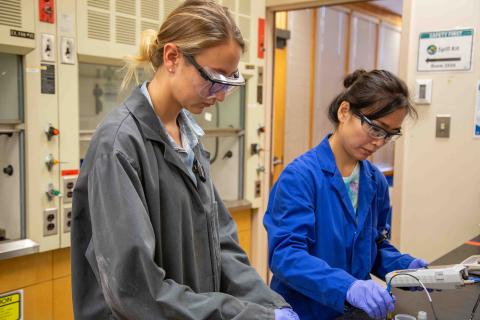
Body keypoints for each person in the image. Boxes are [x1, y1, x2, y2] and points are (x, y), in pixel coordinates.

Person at [71, 1, 299, 319]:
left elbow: (221, 244)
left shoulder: (187, 136)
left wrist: (271, 306)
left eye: (230, 81)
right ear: (173, 57)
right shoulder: (119, 145)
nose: (220, 95)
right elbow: (136, 290)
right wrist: (249, 317)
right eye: (214, 77)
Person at [264, 69, 429, 320]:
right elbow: (287, 256)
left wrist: (404, 267)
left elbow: (372, 246)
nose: (378, 142)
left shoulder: (374, 181)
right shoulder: (300, 177)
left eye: (389, 134)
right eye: (375, 128)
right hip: (304, 311)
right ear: (344, 112)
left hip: (352, 313)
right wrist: (346, 286)